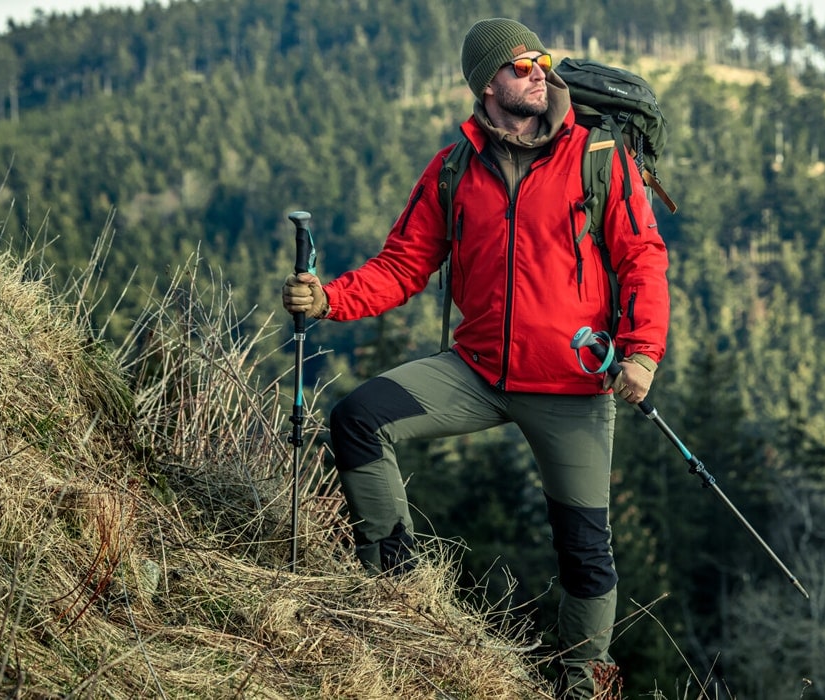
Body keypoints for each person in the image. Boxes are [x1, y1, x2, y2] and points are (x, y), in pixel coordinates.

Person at [281, 17, 670, 698]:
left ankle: (581, 686)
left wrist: (640, 354)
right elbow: (403, 264)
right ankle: (397, 594)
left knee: (585, 553)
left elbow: (642, 258)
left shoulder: (597, 157)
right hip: (478, 371)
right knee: (357, 419)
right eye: (520, 66)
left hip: (573, 389)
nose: (537, 74)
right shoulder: (455, 167)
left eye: (540, 62)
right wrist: (330, 300)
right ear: (487, 80)